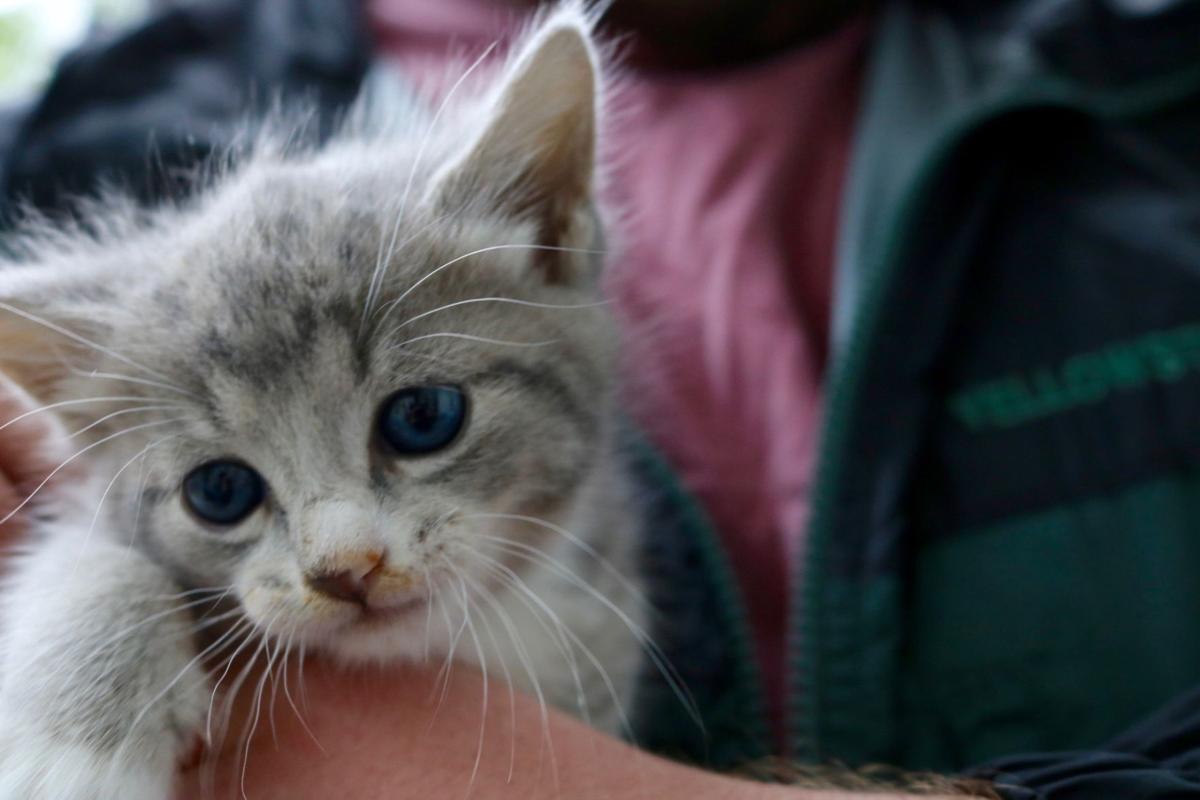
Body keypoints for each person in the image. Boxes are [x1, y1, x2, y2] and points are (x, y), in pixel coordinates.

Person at [2, 0, 1200, 797]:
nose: (342, 557)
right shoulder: (75, 119)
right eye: (227, 488)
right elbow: (88, 515)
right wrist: (95, 625)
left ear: (547, 228)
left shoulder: (1155, 98)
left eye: (418, 421)